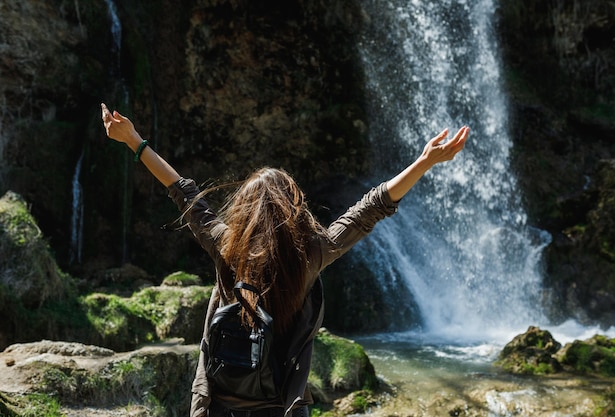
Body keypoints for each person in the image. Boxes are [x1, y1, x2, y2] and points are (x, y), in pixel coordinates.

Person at [101, 103, 469, 417]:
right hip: (281, 405)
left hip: (218, 402)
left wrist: (134, 141)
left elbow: (183, 192)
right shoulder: (310, 253)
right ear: (293, 207)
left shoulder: (226, 244)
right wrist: (424, 162)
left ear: (243, 209)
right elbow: (369, 209)